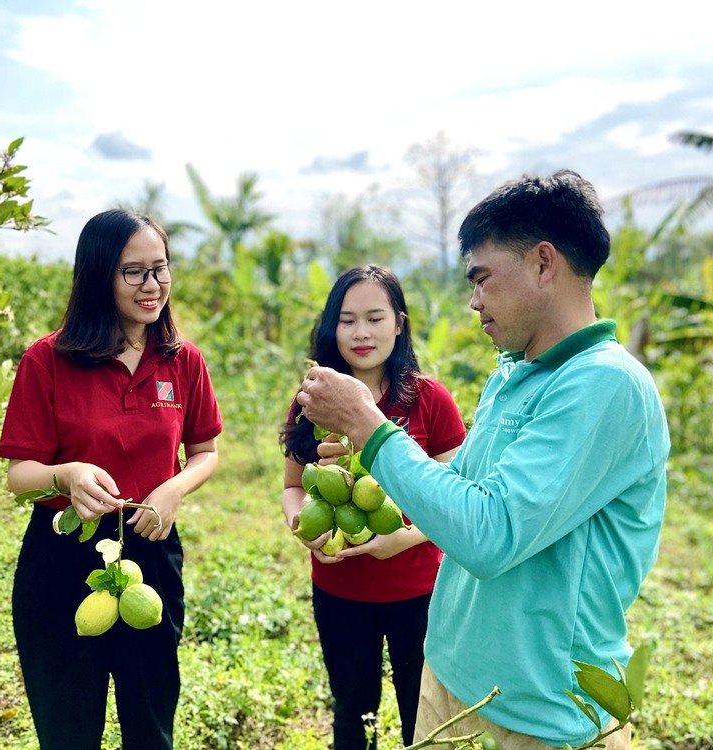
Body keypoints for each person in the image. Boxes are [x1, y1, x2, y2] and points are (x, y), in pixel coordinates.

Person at [296, 171, 670, 749]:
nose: (473, 301)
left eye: (482, 278)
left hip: (539, 712)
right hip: (451, 676)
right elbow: (463, 489)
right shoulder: (515, 373)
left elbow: (491, 534)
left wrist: (368, 427)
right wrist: (374, 486)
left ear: (544, 264)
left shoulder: (605, 386)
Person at [0, 208, 222, 750]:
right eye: (134, 272)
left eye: (161, 268)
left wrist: (172, 489)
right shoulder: (48, 360)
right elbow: (19, 476)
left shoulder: (182, 360)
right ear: (100, 275)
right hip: (64, 557)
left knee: (150, 721)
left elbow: (206, 452)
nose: (153, 286)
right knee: (68, 724)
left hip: (150, 546)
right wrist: (65, 474)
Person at [280, 265, 466, 749]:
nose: (361, 332)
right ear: (331, 328)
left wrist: (400, 539)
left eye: (375, 318)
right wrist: (301, 523)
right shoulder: (313, 399)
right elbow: (292, 487)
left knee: (421, 717)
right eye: (347, 320)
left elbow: (458, 496)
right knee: (351, 716)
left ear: (399, 324)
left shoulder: (430, 400)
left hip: (418, 590)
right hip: (340, 587)